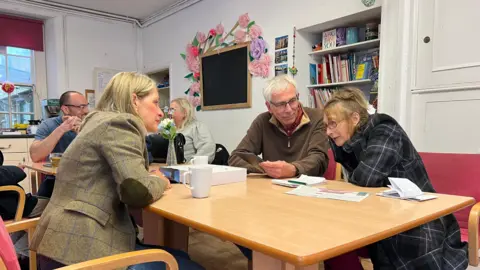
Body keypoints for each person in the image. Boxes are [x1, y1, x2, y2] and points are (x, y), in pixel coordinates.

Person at [30, 72, 204, 270]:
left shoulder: (98, 121)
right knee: (192, 266)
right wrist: (161, 181)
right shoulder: (120, 124)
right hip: (81, 249)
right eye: (155, 102)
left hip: (58, 244)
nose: (161, 112)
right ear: (134, 100)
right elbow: (138, 191)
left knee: (180, 255)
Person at [323, 87, 468, 269]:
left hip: (418, 221)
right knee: (332, 234)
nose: (328, 132)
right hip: (384, 216)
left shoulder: (385, 129)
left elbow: (365, 179)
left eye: (333, 124)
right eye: (326, 126)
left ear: (355, 119)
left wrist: (346, 144)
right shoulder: (355, 138)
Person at [228, 74, 329, 178]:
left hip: (307, 187)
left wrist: (293, 169)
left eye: (292, 101)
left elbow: (319, 159)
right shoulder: (262, 121)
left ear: (298, 97)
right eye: (281, 104)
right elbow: (236, 157)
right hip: (272, 187)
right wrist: (267, 169)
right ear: (269, 107)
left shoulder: (318, 117)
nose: (289, 109)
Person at [29, 91, 89, 198]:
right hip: (56, 180)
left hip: (86, 180)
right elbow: (35, 155)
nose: (86, 111)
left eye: (86, 106)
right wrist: (62, 129)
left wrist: (82, 131)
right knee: (39, 201)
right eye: (81, 107)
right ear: (65, 109)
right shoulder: (49, 125)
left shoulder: (91, 124)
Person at [169, 98, 215, 163]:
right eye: (169, 110)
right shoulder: (170, 128)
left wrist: (192, 163)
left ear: (184, 112)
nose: (169, 113)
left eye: (172, 110)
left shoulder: (196, 127)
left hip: (189, 170)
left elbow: (207, 149)